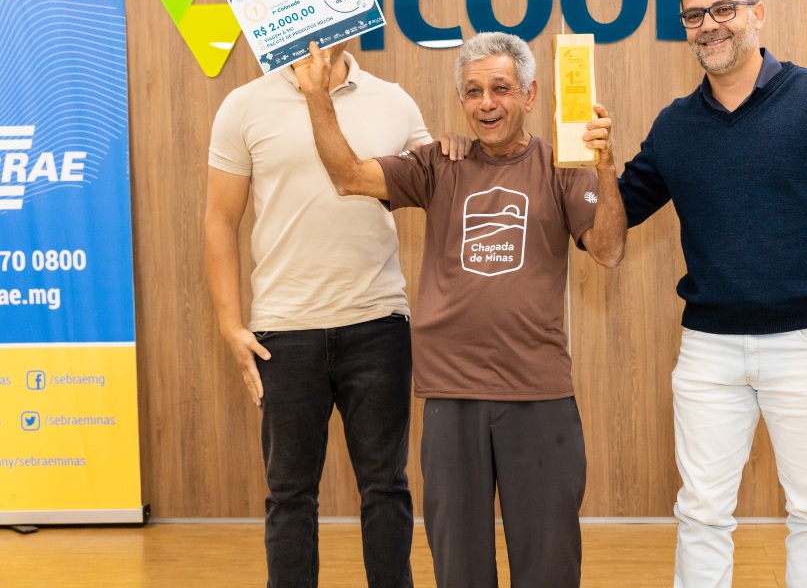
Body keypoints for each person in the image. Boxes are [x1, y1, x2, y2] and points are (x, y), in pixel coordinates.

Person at [292, 32, 626, 588]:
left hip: (538, 394)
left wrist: (606, 166)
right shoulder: (437, 163)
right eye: (473, 92)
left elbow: (609, 251)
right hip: (451, 395)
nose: (486, 103)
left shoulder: (563, 166)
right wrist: (317, 97)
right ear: (461, 101)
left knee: (549, 569)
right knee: (460, 572)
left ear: (530, 94)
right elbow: (349, 175)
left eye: (501, 88)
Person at [617, 0, 807, 588]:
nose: (709, 25)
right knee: (701, 511)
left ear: (757, 12)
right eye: (694, 15)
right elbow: (615, 213)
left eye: (723, 8)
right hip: (708, 350)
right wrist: (587, 159)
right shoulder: (675, 126)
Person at [204, 42, 467, 588]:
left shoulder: (393, 100)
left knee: (386, 487)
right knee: (290, 494)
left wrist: (454, 145)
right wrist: (231, 326)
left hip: (378, 325)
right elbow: (219, 220)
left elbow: (441, 185)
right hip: (283, 332)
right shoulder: (243, 105)